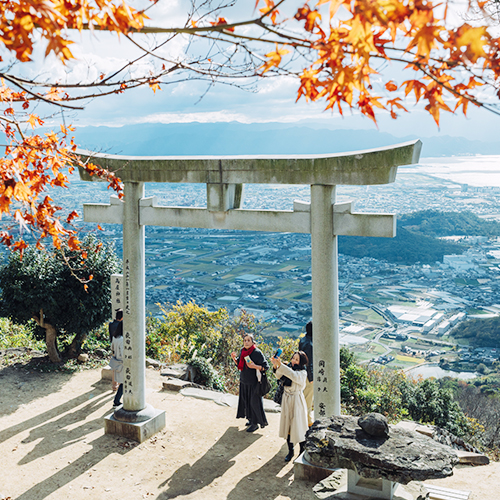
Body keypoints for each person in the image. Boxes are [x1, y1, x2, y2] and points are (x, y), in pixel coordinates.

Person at [271, 350, 309, 462]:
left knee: (298, 426)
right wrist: (276, 365)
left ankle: (302, 450)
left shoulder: (302, 373)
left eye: (297, 359)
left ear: (301, 362)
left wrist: (281, 365)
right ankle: (290, 450)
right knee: (288, 425)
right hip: (287, 398)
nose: (293, 361)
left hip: (297, 400)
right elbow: (279, 376)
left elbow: (293, 376)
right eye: (293, 358)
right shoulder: (288, 368)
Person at [231, 334, 269, 433]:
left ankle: (255, 423)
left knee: (254, 402)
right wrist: (234, 359)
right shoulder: (243, 351)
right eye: (245, 340)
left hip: (254, 383)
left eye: (248, 340)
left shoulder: (257, 352)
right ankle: (251, 419)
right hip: (244, 381)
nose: (246, 342)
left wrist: (255, 366)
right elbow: (240, 364)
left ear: (253, 342)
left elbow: (265, 367)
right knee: (246, 401)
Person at [299, 320, 314, 426]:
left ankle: (304, 420)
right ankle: (307, 422)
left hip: (302, 373)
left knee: (304, 398)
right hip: (308, 376)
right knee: (308, 399)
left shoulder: (303, 340)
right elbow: (309, 363)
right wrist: (311, 377)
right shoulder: (309, 344)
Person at [109, 309, 124, 408]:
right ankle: (116, 401)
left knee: (122, 382)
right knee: (124, 383)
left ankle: (117, 400)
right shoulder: (123, 340)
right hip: (123, 363)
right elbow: (123, 353)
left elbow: (112, 348)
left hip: (117, 361)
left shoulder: (115, 337)